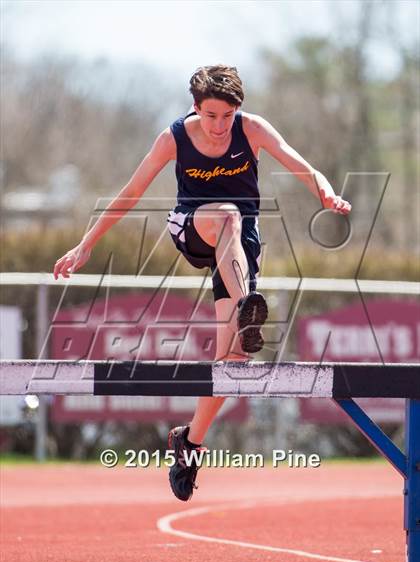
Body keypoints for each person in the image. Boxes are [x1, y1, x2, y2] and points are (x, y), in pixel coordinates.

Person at [54, 64, 351, 502]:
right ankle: (247, 299)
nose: (218, 127)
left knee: (231, 360)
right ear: (196, 109)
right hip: (194, 227)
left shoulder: (252, 130)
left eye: (226, 118)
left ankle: (188, 441)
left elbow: (302, 165)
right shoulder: (173, 137)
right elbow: (130, 193)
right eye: (210, 116)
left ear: (238, 112)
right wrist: (85, 244)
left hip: (240, 245)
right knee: (226, 213)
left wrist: (325, 192)